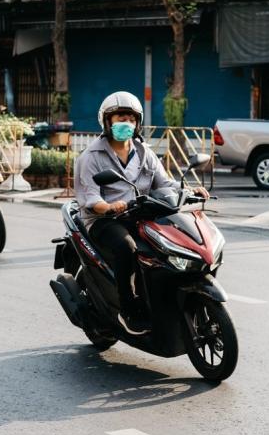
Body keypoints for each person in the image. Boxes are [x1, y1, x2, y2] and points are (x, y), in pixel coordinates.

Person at [74, 91, 209, 335]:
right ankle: (129, 309)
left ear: (138, 123)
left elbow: (164, 184)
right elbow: (91, 198)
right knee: (127, 247)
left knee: (171, 240)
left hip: (140, 214)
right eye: (119, 118)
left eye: (130, 118)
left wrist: (190, 190)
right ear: (107, 122)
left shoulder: (144, 152)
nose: (125, 123)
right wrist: (109, 206)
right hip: (104, 220)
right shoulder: (91, 156)